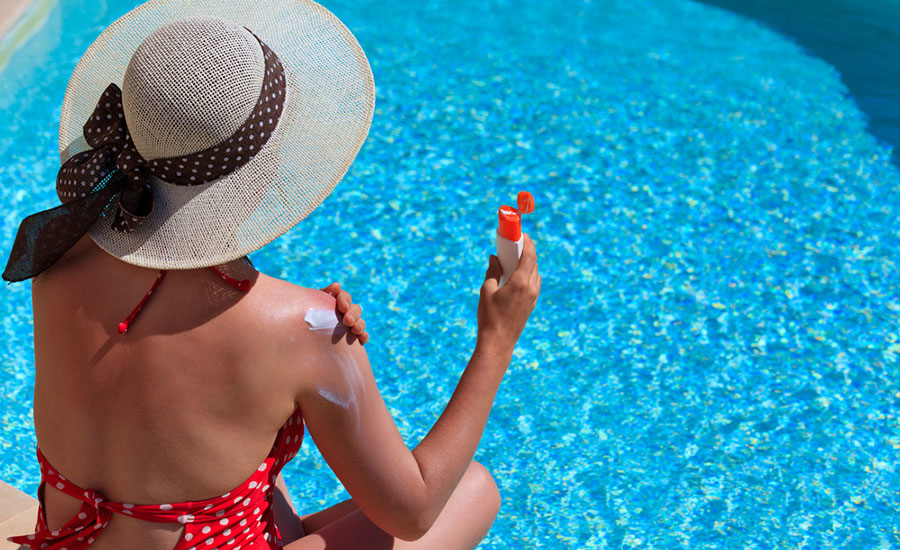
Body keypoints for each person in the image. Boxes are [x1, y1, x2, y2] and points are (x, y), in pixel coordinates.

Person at [4, 1, 541, 549]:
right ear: (261, 173)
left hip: (72, 541)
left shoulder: (58, 261)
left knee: (261, 481)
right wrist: (497, 339)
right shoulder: (300, 329)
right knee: (470, 489)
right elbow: (414, 511)